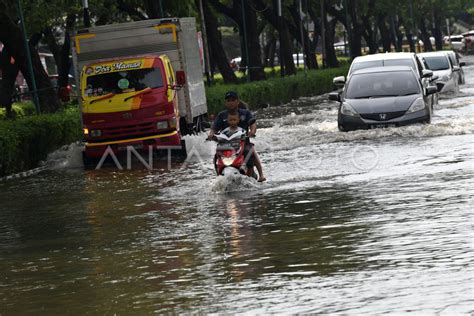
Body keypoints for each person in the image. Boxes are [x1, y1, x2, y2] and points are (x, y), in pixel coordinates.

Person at [208, 91, 266, 182]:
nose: (231, 102)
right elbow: (214, 128)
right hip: (226, 145)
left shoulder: (245, 113)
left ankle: (260, 175)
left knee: (250, 151)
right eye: (228, 100)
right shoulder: (221, 115)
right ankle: (218, 177)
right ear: (225, 103)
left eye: (233, 100)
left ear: (237, 102)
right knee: (216, 156)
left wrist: (252, 132)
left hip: (243, 143)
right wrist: (211, 134)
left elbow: (253, 124)